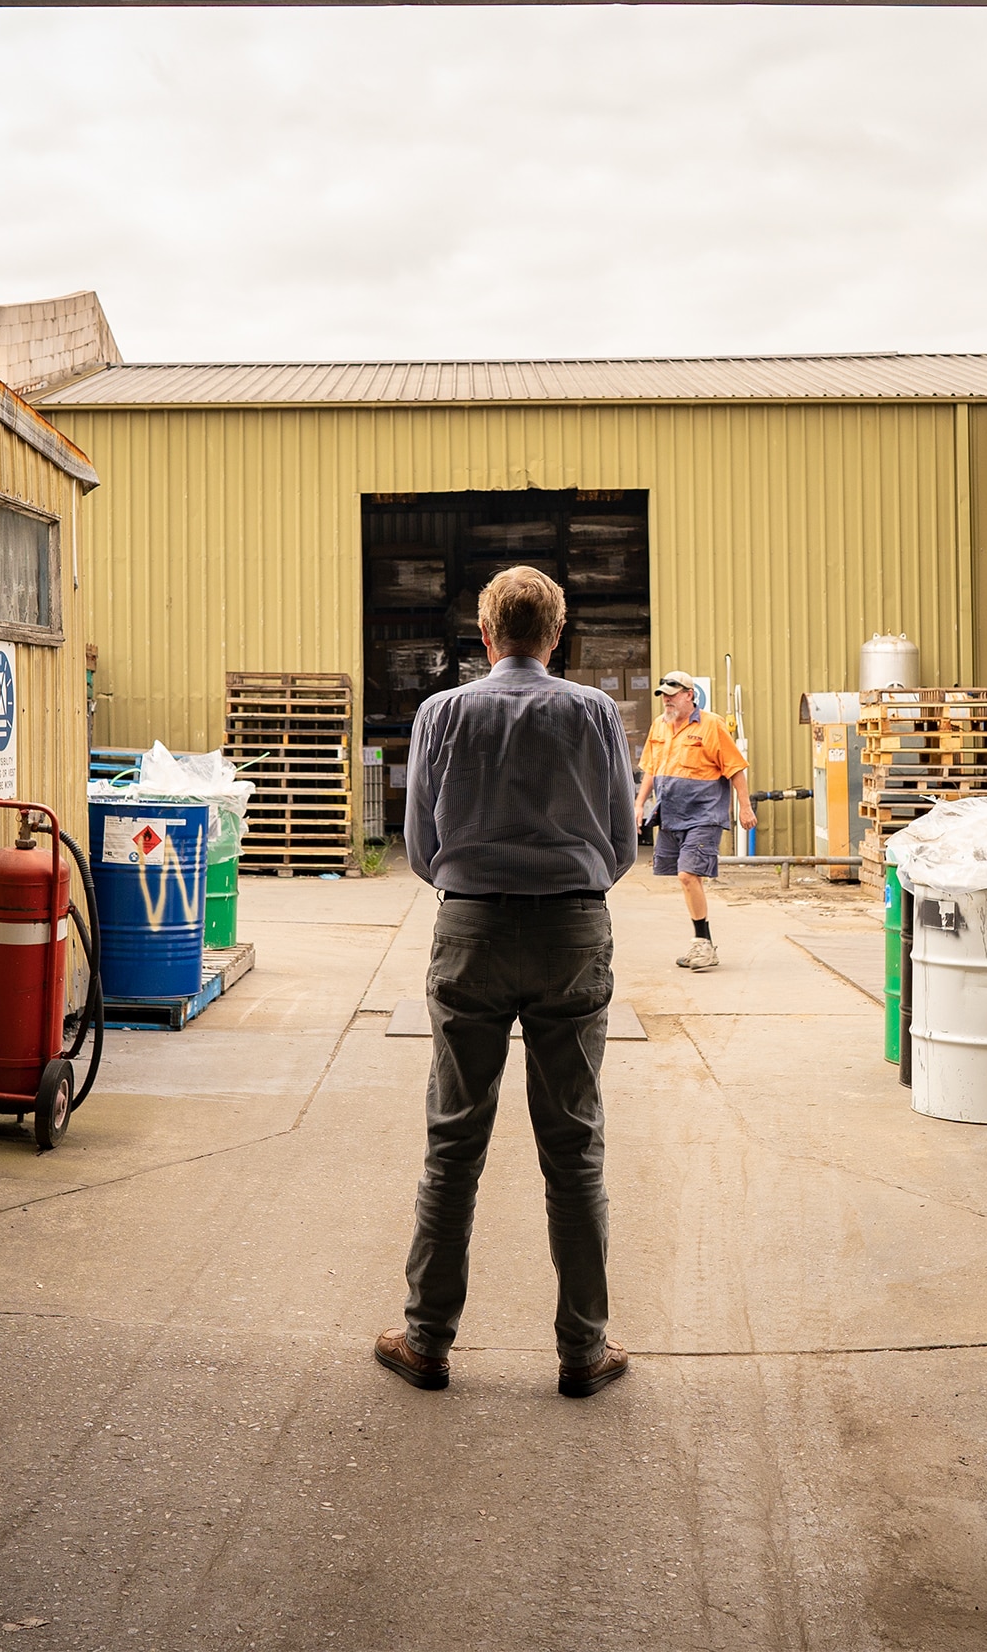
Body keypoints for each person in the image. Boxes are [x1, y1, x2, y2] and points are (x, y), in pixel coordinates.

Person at [377, 565, 638, 1399]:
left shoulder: (441, 714)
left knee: (454, 1143)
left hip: (472, 929)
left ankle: (426, 1342)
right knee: (575, 1147)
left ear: (484, 636)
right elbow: (624, 842)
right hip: (571, 930)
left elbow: (420, 844)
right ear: (557, 636)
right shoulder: (594, 713)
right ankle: (582, 1351)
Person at [634, 671, 752, 972]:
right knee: (685, 878)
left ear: (690, 694)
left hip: (704, 814)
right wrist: (638, 804)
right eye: (664, 695)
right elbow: (650, 768)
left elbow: (735, 768)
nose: (667, 700)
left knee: (688, 875)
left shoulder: (712, 726)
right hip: (671, 814)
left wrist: (745, 807)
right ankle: (703, 944)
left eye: (673, 694)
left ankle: (703, 944)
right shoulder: (659, 726)